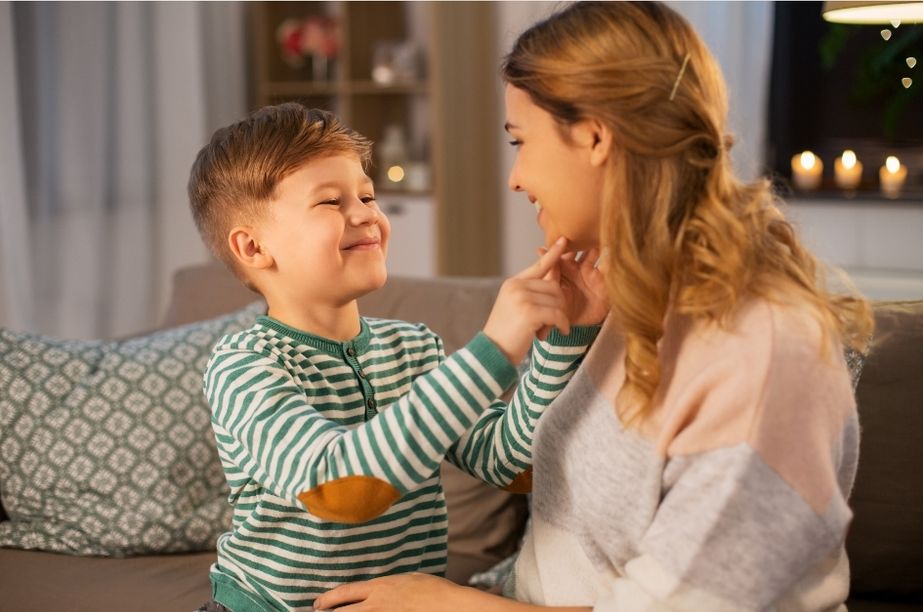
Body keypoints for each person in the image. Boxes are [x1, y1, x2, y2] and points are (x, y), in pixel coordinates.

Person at [314, 2, 874, 611]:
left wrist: (448, 605)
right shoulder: (635, 304)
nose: (516, 177)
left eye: (520, 141)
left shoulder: (762, 356)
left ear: (596, 136)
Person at [186, 103, 607, 611]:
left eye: (366, 194)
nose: (364, 212)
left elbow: (514, 464)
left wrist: (564, 338)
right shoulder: (245, 367)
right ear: (253, 248)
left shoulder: (414, 348)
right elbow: (341, 489)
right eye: (330, 202)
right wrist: (494, 347)